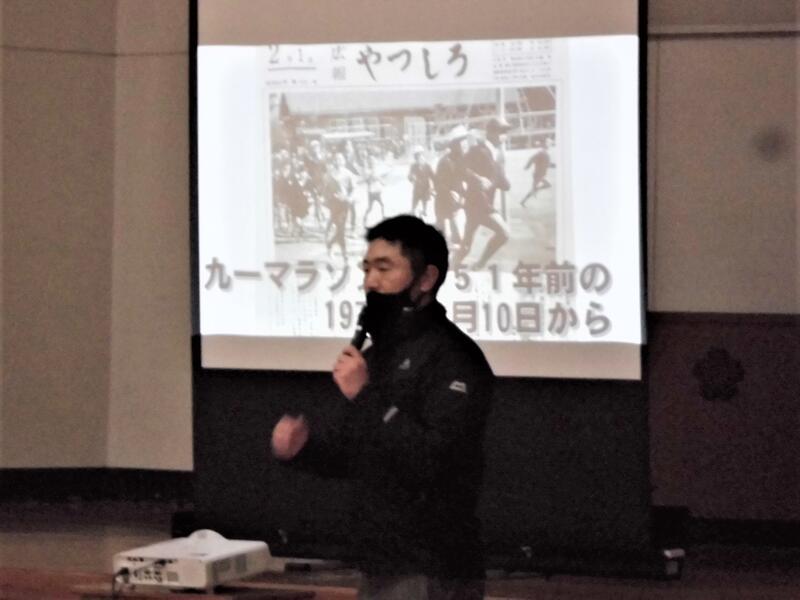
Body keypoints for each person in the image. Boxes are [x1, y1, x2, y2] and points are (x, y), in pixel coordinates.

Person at [271, 215, 495, 600]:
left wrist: (365, 396)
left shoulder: (455, 358)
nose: (370, 282)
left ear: (426, 278)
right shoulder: (378, 354)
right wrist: (301, 450)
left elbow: (435, 459)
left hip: (432, 564)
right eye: (366, 269)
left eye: (384, 268)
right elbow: (355, 454)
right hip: (379, 560)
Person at [451, 117, 512, 271]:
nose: (504, 136)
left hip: (478, 205)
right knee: (504, 233)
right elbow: (459, 168)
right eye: (501, 132)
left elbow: (503, 183)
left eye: (505, 132)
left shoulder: (497, 154)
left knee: (466, 246)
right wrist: (477, 178)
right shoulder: (478, 150)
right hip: (479, 205)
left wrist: (504, 178)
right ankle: (479, 264)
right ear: (491, 133)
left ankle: (452, 267)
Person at [520, 137, 553, 207]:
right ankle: (523, 200)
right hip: (538, 174)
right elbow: (532, 158)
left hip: (540, 174)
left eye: (550, 144)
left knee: (545, 185)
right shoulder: (541, 152)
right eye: (548, 144)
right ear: (544, 144)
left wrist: (555, 165)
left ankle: (526, 198)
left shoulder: (544, 153)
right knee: (543, 186)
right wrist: (527, 166)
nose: (549, 145)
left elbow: (547, 164)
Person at [408, 146, 435, 218]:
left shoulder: (427, 165)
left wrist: (434, 187)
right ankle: (413, 210)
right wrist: (412, 177)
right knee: (415, 202)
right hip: (417, 188)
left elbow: (433, 176)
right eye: (417, 156)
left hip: (426, 188)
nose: (420, 157)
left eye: (421, 155)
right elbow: (409, 176)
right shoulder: (413, 166)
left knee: (424, 201)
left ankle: (424, 211)